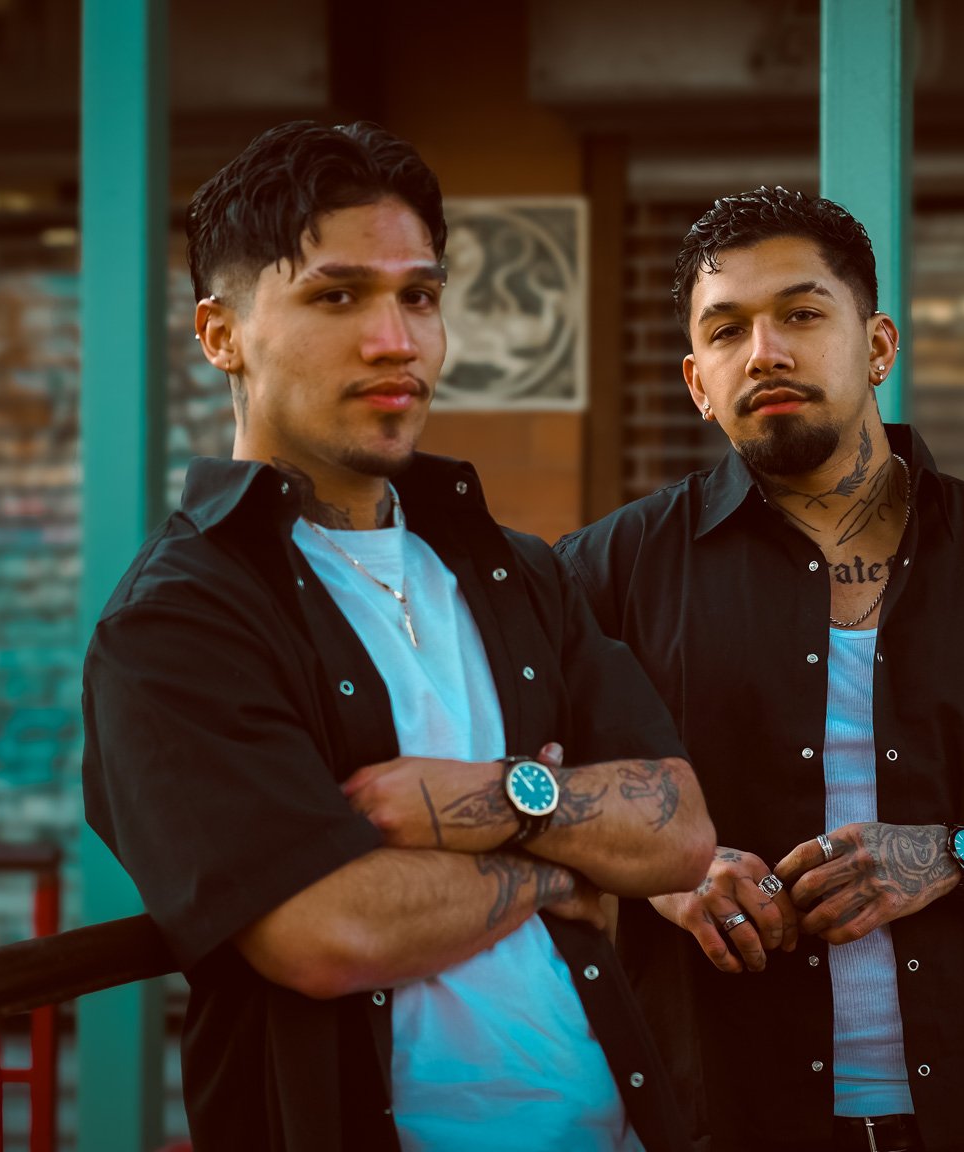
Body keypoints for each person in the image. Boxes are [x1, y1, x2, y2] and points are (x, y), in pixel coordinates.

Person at [80, 121, 714, 1152]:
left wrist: (483, 801)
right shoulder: (179, 618)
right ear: (218, 334)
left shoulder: (512, 569)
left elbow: (678, 829)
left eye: (418, 295)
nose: (396, 340)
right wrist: (563, 866)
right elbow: (328, 931)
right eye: (337, 297)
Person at [555, 187, 964, 1152]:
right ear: (698, 382)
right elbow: (527, 794)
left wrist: (954, 857)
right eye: (727, 330)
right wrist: (666, 872)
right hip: (715, 1118)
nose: (764, 350)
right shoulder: (606, 573)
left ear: (880, 347)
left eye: (803, 315)